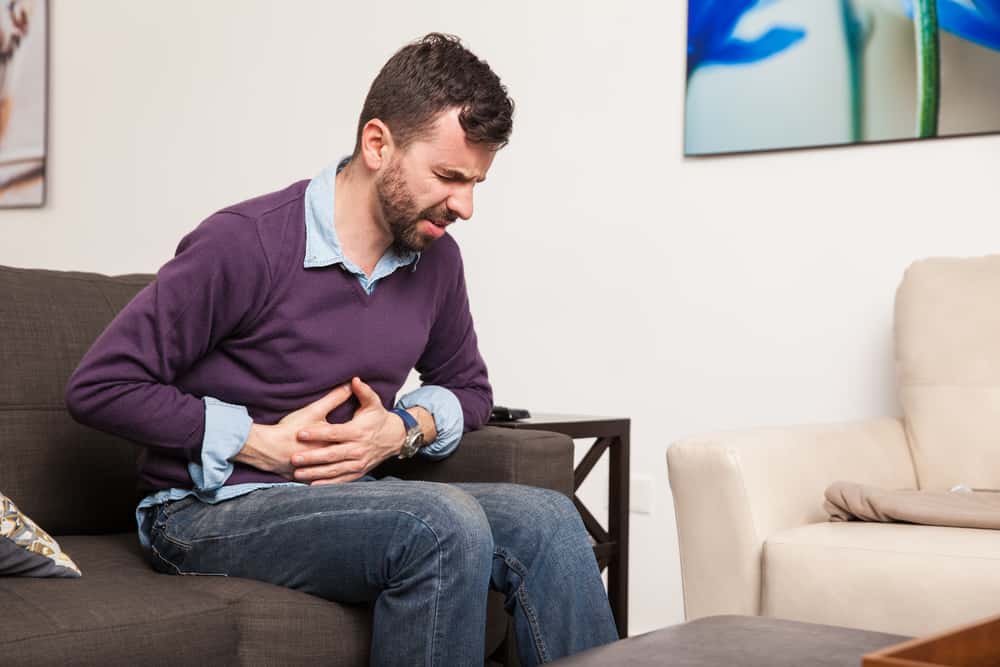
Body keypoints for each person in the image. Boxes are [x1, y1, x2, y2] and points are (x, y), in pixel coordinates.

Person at [65, 33, 618, 666]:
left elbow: (469, 388)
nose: (464, 205)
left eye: (475, 183)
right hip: (200, 512)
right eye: (448, 177)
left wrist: (401, 430)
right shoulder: (245, 243)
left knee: (550, 520)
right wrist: (254, 440)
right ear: (378, 144)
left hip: (345, 497)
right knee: (439, 523)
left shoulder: (436, 259)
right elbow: (100, 386)